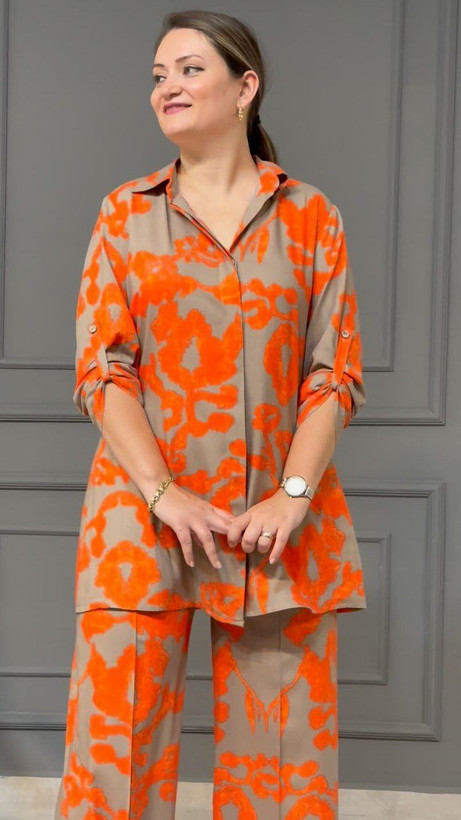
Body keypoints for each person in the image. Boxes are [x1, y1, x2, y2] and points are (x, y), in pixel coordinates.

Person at [54, 9, 367, 820]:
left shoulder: (311, 219)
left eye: (190, 69)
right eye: (158, 75)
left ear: (244, 86)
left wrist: (291, 498)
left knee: (282, 778)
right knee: (112, 768)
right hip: (140, 518)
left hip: (275, 526)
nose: (168, 87)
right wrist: (163, 493)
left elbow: (332, 376)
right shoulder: (124, 215)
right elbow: (102, 370)